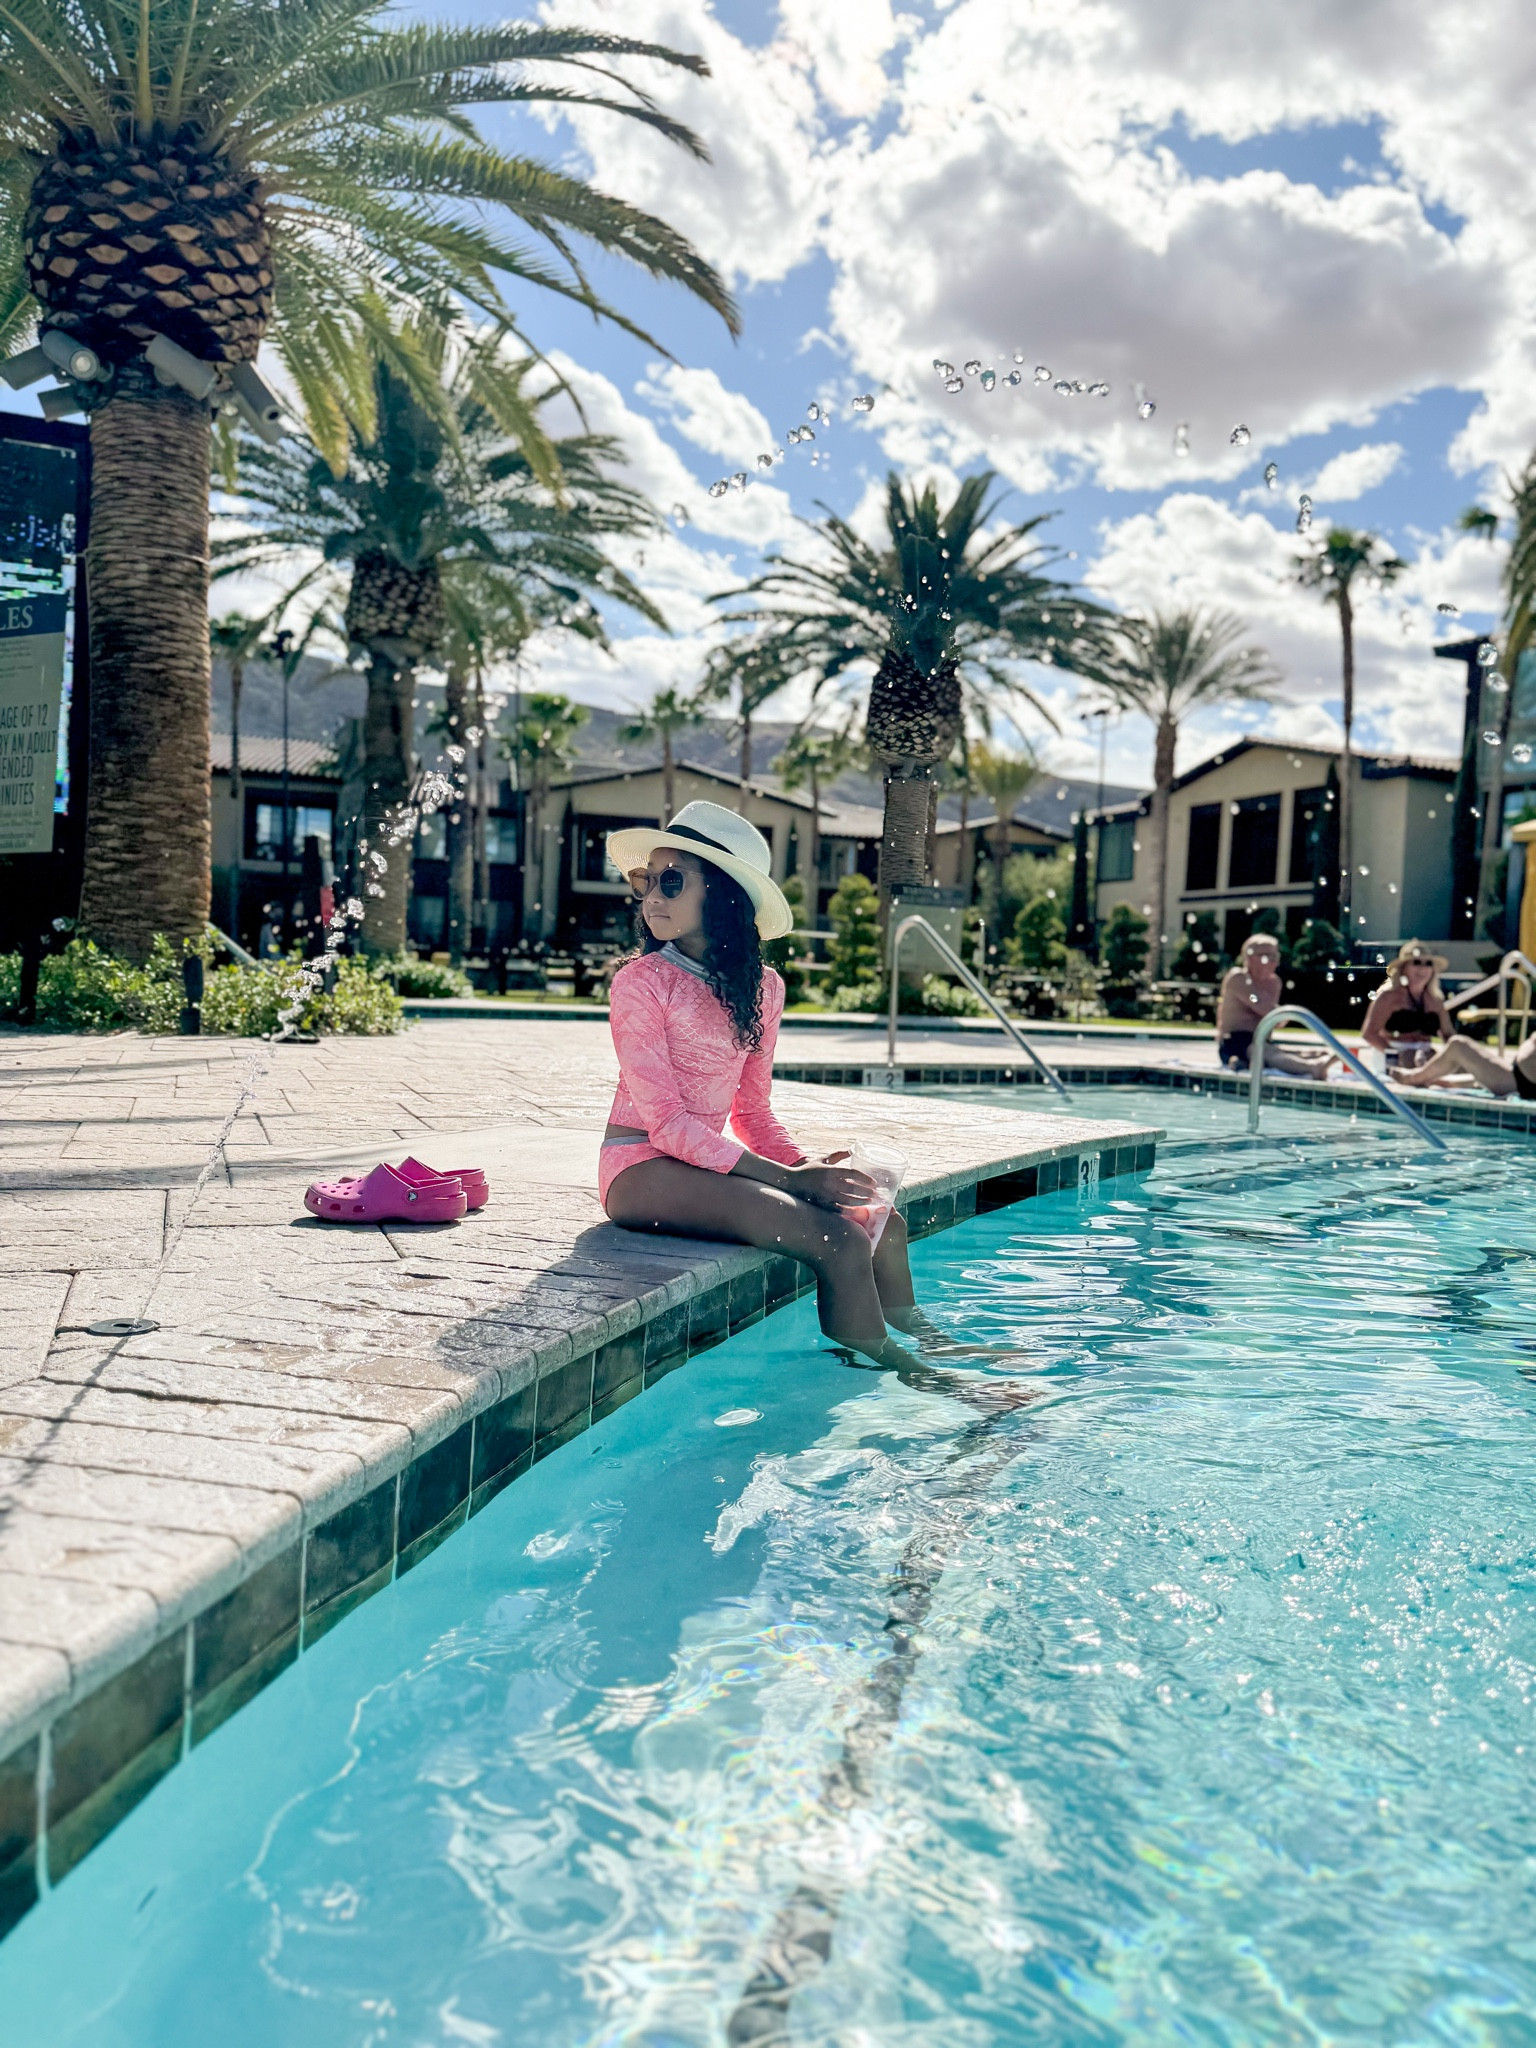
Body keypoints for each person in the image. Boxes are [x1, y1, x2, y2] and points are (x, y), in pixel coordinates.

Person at [599, 801, 954, 1368]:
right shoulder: (640, 983)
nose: (652, 897)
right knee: (836, 1241)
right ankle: (915, 1379)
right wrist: (792, 1179)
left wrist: (813, 1166)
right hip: (639, 1169)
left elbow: (753, 1114)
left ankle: (936, 1343)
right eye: (646, 881)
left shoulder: (763, 987)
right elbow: (665, 1126)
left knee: (882, 1223)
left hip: (702, 1164)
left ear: (722, 893)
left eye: (671, 881)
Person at [1215, 933, 1333, 1077]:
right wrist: (1279, 1014)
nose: (1273, 963)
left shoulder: (1273, 983)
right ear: (1249, 958)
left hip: (1261, 1040)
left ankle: (1319, 1059)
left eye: (1275, 957)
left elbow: (1274, 1018)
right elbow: (1260, 1005)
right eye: (1266, 957)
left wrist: (1278, 1015)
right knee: (1264, 1052)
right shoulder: (1239, 979)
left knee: (1291, 1052)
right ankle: (1312, 1068)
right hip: (1235, 1042)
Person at [1359, 941, 1452, 1071]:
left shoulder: (1435, 999)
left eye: (1428, 963)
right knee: (1414, 1058)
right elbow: (1369, 1033)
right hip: (1391, 1054)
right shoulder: (1388, 996)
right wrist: (1395, 1055)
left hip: (1424, 1056)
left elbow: (1449, 1034)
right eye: (1416, 962)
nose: (1423, 968)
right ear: (1403, 968)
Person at [1393, 1026, 1536, 1099]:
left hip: (1518, 1083)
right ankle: (1437, 1080)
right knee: (1468, 1079)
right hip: (1518, 1077)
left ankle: (1414, 1077)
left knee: (1458, 1045)